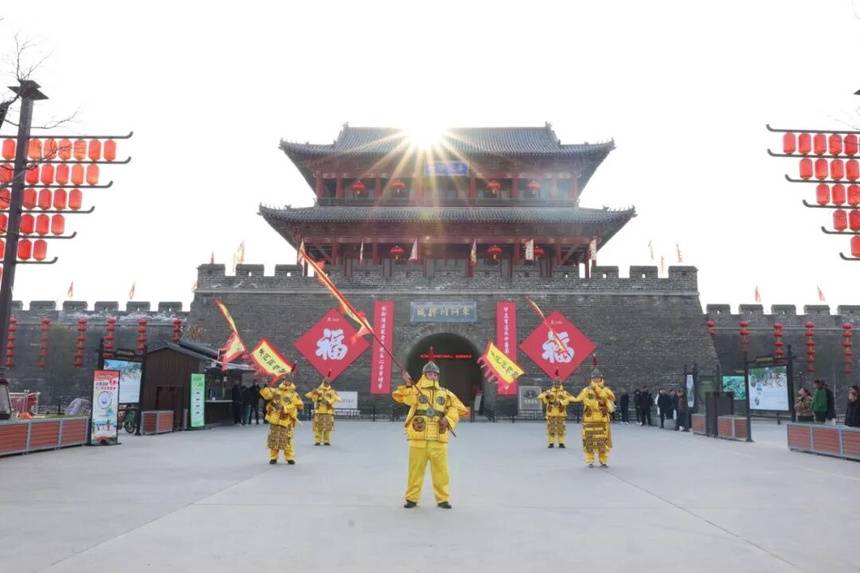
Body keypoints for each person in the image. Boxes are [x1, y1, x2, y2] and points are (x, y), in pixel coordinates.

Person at [392, 361, 468, 509]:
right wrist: (408, 384)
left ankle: (443, 499)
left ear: (438, 376)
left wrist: (448, 418)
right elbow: (408, 400)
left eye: (435, 374)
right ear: (424, 375)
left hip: (438, 439)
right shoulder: (415, 390)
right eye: (429, 373)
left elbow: (458, 408)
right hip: (418, 438)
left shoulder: (445, 393)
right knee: (415, 471)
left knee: (441, 471)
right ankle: (411, 498)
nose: (432, 376)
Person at [571, 366, 616, 467]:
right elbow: (578, 398)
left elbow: (612, 397)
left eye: (598, 378)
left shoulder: (605, 389)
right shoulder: (586, 390)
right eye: (594, 378)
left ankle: (603, 460)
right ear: (591, 379)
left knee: (602, 441)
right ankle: (590, 460)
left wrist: (599, 391)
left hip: (602, 418)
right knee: (589, 440)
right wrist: (567, 397)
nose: (596, 379)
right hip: (589, 418)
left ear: (601, 378)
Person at [259, 374, 304, 464]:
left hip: (286, 419)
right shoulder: (277, 391)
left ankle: (289, 457)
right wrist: (265, 385)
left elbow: (298, 405)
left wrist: (284, 408)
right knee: (274, 437)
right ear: (283, 380)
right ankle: (273, 457)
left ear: (292, 381)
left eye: (290, 379)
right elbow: (267, 396)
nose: (287, 381)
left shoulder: (294, 394)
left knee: (287, 438)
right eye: (286, 379)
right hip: (275, 418)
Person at [537, 374, 576, 448]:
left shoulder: (564, 392)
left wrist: (561, 402)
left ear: (560, 384)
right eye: (555, 383)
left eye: (558, 383)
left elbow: (572, 398)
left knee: (561, 428)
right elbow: (539, 396)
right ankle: (551, 443)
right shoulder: (549, 391)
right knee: (551, 428)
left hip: (560, 413)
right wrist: (546, 397)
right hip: (551, 413)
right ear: (553, 384)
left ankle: (561, 443)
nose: (557, 385)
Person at [304, 375, 341, 445]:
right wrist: (313, 392)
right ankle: (317, 440)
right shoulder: (318, 390)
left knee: (327, 427)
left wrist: (328, 401)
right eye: (325, 383)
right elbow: (307, 395)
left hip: (328, 411)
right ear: (323, 382)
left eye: (328, 383)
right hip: (318, 411)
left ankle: (326, 441)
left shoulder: (332, 391)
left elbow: (338, 399)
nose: (326, 384)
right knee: (318, 427)